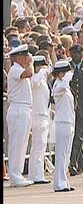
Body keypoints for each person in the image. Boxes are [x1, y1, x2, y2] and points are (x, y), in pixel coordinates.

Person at [6, 44, 34, 187]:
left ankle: (18, 174)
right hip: (18, 109)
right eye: (25, 56)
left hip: (24, 109)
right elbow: (28, 74)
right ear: (19, 57)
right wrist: (31, 64)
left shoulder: (20, 69)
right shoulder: (15, 69)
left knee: (22, 144)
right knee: (17, 144)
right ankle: (15, 175)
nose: (27, 59)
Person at [25, 53, 52, 184]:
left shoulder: (41, 79)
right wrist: (43, 71)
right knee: (37, 146)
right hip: (37, 115)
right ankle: (35, 175)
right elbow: (34, 81)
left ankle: (37, 173)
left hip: (43, 115)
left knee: (41, 146)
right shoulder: (34, 78)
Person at [50, 59, 76, 192]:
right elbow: (64, 86)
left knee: (67, 153)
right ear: (60, 74)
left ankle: (64, 181)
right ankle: (59, 183)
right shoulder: (57, 85)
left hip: (69, 121)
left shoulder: (64, 85)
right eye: (65, 72)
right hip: (62, 123)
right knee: (61, 154)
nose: (68, 74)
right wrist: (68, 76)